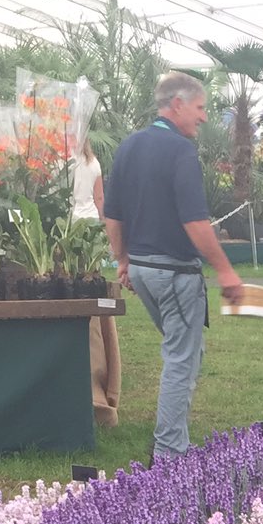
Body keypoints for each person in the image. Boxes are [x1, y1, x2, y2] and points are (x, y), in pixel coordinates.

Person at [104, 72, 248, 457]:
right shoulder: (180, 151)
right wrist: (225, 270)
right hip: (174, 272)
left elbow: (112, 214)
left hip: (142, 269)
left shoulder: (129, 145)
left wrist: (122, 261)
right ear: (177, 104)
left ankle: (174, 439)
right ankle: (170, 454)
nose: (203, 118)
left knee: (184, 350)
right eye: (200, 108)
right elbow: (195, 222)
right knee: (181, 361)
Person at [73, 140, 120, 430]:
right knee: (89, 282)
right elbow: (100, 199)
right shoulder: (93, 162)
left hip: (68, 225)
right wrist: (104, 228)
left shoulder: (62, 162)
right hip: (89, 225)